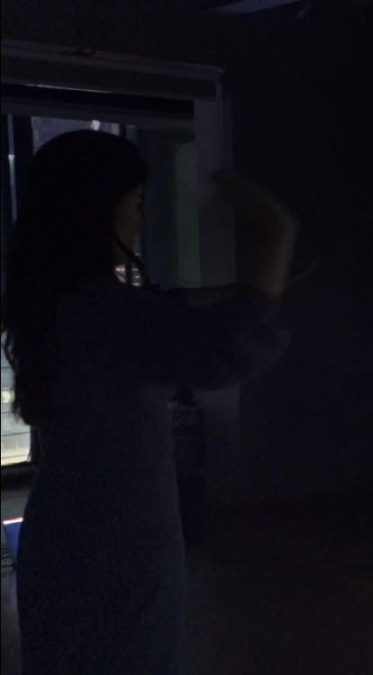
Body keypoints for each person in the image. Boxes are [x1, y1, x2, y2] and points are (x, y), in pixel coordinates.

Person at [1, 130, 296, 674]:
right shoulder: (102, 313)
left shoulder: (58, 301)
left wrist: (235, 293)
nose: (141, 221)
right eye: (136, 204)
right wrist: (278, 233)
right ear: (97, 209)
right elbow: (222, 352)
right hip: (115, 543)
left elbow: (159, 310)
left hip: (73, 531)